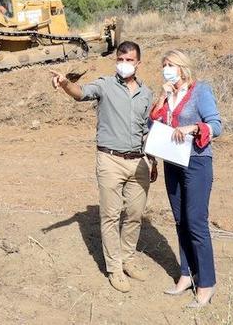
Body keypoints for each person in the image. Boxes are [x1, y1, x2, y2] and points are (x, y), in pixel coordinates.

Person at [50, 41, 156, 293]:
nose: (125, 64)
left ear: (138, 63)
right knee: (110, 216)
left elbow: (147, 130)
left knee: (134, 215)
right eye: (121, 59)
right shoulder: (105, 85)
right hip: (110, 160)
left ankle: (128, 259)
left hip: (139, 161)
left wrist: (153, 161)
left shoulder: (146, 93)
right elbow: (80, 93)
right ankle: (114, 268)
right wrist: (65, 83)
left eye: (130, 60)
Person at [148, 49, 222, 308]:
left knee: (196, 222)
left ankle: (206, 283)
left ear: (183, 67)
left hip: (197, 162)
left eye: (171, 64)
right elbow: (153, 126)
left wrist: (193, 127)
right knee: (180, 220)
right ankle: (186, 274)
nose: (167, 68)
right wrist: (162, 98)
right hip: (173, 162)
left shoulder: (200, 91)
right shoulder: (168, 95)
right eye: (164, 65)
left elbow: (216, 125)